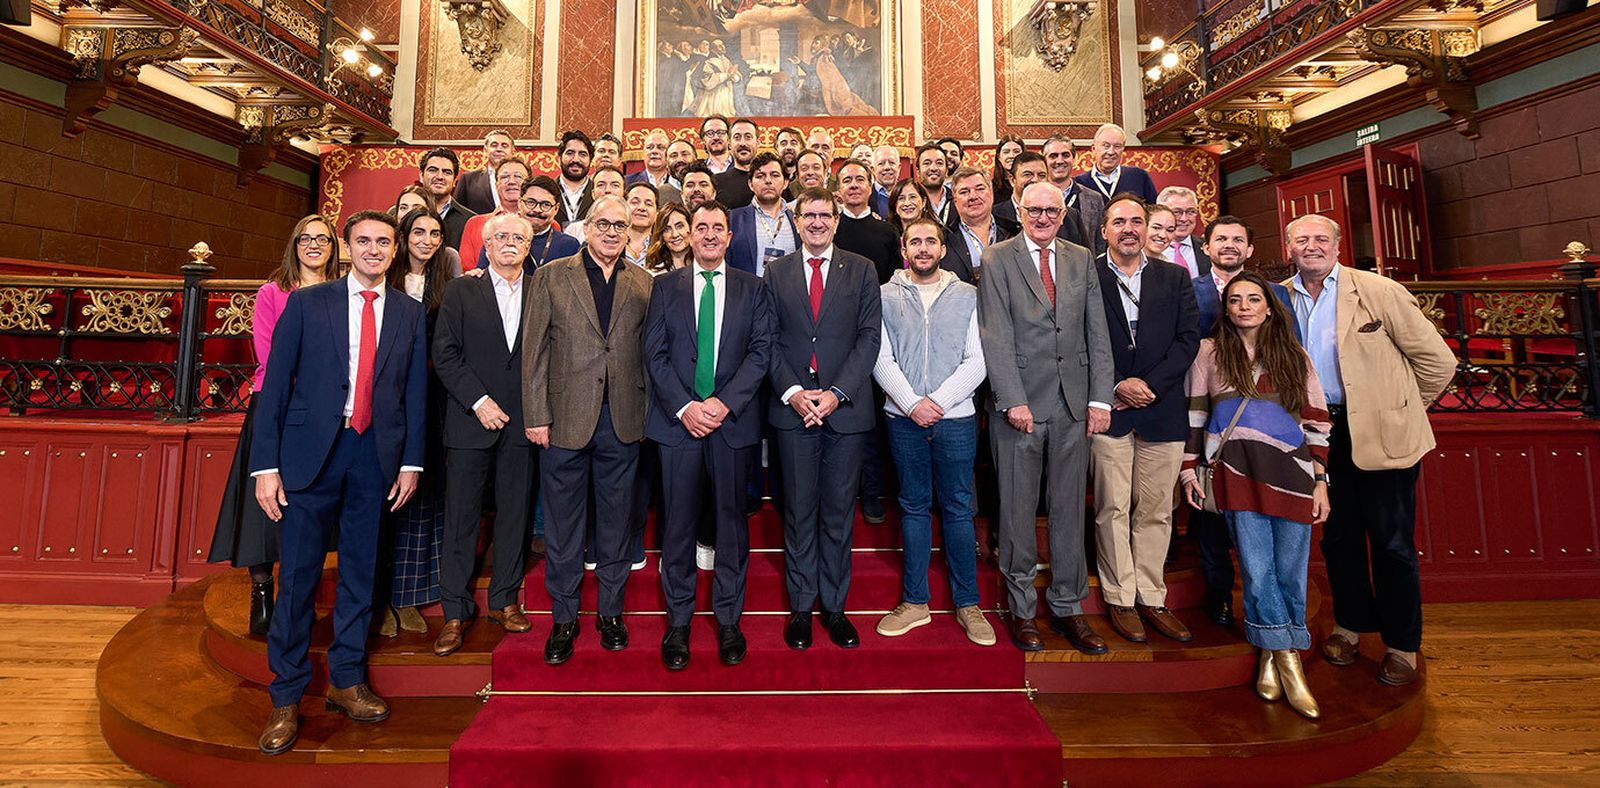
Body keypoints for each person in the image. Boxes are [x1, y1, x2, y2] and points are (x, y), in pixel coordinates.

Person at [251, 210, 427, 756]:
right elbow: (274, 387)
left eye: (384, 241)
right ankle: (285, 695)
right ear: (347, 247)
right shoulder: (308, 303)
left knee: (360, 573)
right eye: (363, 241)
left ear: (395, 250)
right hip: (309, 457)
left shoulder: (410, 312)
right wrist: (266, 467)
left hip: (375, 455)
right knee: (299, 576)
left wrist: (411, 462)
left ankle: (347, 681)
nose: (374, 249)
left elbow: (415, 393)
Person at [1284, 214, 1455, 687]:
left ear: (1339, 245)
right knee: (1338, 538)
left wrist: (1400, 408)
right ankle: (1350, 626)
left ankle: (1403, 644)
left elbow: (1438, 362)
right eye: (1302, 240)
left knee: (1392, 543)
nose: (1311, 246)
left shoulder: (1378, 291)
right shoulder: (1280, 296)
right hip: (1318, 437)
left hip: (1383, 435)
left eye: (1321, 238)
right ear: (1288, 246)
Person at [1180, 272, 1333, 719]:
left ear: (1269, 306)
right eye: (1234, 300)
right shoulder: (1209, 353)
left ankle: (1272, 654)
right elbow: (1195, 416)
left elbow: (1317, 422)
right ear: (1225, 309)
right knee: (1256, 565)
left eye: (1253, 298)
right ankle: (1292, 663)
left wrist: (1321, 480)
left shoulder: (1294, 356)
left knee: (1290, 567)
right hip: (1235, 472)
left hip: (1292, 474)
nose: (1244, 306)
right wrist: (1190, 468)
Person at [977, 181, 1113, 655]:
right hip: (1020, 406)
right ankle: (1021, 609)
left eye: (1050, 210)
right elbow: (994, 334)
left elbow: (1098, 331)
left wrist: (1100, 400)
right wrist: (1011, 399)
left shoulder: (1081, 258)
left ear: (1062, 212)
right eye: (1032, 209)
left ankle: (1068, 607)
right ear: (1018, 210)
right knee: (1016, 511)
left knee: (1068, 508)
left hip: (1075, 404)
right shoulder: (996, 258)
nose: (1042, 217)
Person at [644, 200, 776, 670]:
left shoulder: (753, 288)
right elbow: (654, 354)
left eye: (718, 227)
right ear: (690, 234)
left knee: (730, 528)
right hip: (678, 426)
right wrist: (685, 407)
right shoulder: (664, 287)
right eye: (701, 227)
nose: (710, 235)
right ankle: (678, 623)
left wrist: (722, 404)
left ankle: (728, 620)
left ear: (729, 235)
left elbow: (761, 354)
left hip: (731, 425)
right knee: (677, 526)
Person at [522, 196, 654, 664]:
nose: (613, 232)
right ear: (586, 226)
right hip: (562, 421)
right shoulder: (552, 275)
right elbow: (534, 351)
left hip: (622, 420)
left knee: (617, 524)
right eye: (604, 223)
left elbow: (648, 354)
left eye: (621, 225)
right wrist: (536, 415)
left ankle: (611, 613)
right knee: (563, 525)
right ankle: (564, 616)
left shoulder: (643, 282)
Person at [208, 215, 339, 637]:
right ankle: (262, 591)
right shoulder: (273, 292)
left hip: (325, 409)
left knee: (309, 498)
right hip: (277, 403)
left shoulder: (343, 292)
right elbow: (269, 354)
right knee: (262, 503)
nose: (315, 245)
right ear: (294, 244)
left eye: (323, 239)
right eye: (307, 238)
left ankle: (300, 594)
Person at [766, 187, 882, 651]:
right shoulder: (775, 272)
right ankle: (800, 607)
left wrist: (836, 393)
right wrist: (794, 393)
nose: (816, 223)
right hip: (792, 411)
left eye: (824, 216)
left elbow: (870, 339)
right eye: (808, 215)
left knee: (837, 514)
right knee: (797, 513)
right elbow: (767, 339)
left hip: (845, 413)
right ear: (797, 221)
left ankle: (834, 608)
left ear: (836, 221)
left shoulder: (863, 268)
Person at [872, 217, 994, 647]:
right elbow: (880, 356)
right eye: (915, 241)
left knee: (959, 508)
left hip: (956, 419)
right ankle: (915, 601)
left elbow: (978, 360)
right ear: (905, 248)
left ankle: (968, 603)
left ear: (943, 249)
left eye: (931, 241)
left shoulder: (968, 295)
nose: (923, 248)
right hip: (902, 419)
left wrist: (938, 403)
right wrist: (911, 405)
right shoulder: (885, 295)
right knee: (913, 506)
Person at [1088, 194, 1200, 644]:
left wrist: (1148, 385)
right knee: (1112, 508)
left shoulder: (1174, 277)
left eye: (1137, 221)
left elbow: (1188, 339)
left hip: (1162, 407)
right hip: (1109, 411)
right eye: (1120, 222)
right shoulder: (1088, 275)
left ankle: (1151, 596)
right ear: (1105, 230)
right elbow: (1076, 342)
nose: (1129, 229)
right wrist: (1117, 384)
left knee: (1156, 510)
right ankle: (1119, 597)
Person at [430, 213, 538, 657]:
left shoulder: (541, 290)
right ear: (486, 245)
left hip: (524, 423)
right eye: (502, 237)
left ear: (528, 247)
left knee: (516, 515)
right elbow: (445, 353)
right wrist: (479, 401)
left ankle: (505, 600)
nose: (510, 243)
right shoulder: (462, 290)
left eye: (519, 237)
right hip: (470, 421)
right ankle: (455, 611)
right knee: (461, 519)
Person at [371, 208, 457, 638]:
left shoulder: (446, 283)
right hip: (387, 398)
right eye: (418, 232)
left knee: (423, 501)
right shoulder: (383, 280)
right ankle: (379, 600)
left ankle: (409, 598)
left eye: (435, 233)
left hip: (433, 401)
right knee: (385, 502)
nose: (426, 239)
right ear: (403, 237)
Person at [475, 174, 581, 274]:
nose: (537, 210)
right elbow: (482, 279)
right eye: (531, 202)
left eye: (545, 205)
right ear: (520, 203)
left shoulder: (569, 245)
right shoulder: (498, 239)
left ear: (556, 209)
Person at [940, 166, 1017, 284]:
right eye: (964, 192)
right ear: (955, 201)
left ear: (991, 194)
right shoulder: (943, 240)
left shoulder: (1015, 233)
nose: (973, 196)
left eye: (980, 189)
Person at [727, 153, 797, 276]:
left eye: (775, 175)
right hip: (748, 293)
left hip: (788, 293)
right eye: (760, 176)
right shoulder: (733, 219)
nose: (768, 181)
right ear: (750, 184)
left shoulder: (797, 220)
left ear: (786, 183)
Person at [832, 158, 901, 285]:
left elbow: (896, 280)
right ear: (839, 190)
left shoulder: (888, 231)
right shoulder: (830, 231)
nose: (854, 185)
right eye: (847, 181)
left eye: (860, 179)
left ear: (870, 187)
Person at [459, 155, 530, 273]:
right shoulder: (475, 223)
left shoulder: (542, 224)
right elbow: (467, 269)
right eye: (504, 177)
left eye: (518, 177)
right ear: (496, 185)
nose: (511, 182)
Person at [1042, 135, 1104, 251]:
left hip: (1081, 266)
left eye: (1065, 155)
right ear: (1044, 161)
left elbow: (1100, 244)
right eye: (1053, 156)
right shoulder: (1035, 196)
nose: (1060, 161)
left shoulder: (1094, 199)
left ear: (1074, 159)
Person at [1075, 123, 1158, 204]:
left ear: (1123, 150)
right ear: (1093, 149)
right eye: (1106, 146)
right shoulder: (1079, 183)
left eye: (1117, 146)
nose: (1111, 152)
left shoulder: (1139, 176)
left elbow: (1153, 212)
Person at [419, 148, 476, 252]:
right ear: (421, 176)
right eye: (433, 170)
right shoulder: (401, 212)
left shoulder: (470, 221)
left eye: (447, 172)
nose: (440, 176)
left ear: (454, 181)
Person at [563, 166, 627, 244]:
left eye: (615, 185)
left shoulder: (631, 229)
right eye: (601, 185)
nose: (607, 190)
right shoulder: (574, 230)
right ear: (593, 193)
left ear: (623, 192)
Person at [455, 130, 513, 215]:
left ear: (513, 152)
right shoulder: (468, 180)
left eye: (504, 146)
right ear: (485, 150)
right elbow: (457, 213)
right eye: (494, 145)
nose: (499, 149)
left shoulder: (523, 179)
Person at [1158, 186, 1209, 279]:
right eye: (1177, 212)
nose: (1184, 219)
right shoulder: (1146, 250)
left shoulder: (1208, 248)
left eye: (1191, 212)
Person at [626, 130, 684, 205]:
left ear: (668, 155)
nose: (654, 151)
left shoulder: (678, 183)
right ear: (643, 154)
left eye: (661, 148)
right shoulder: (627, 181)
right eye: (650, 147)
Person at [713, 117, 761, 209]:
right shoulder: (716, 182)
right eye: (737, 138)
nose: (742, 143)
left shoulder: (773, 179)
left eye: (748, 137)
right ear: (729, 144)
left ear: (758, 143)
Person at [555, 130, 595, 225]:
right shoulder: (546, 190)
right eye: (570, 153)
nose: (576, 159)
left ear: (590, 160)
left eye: (582, 154)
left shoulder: (599, 191)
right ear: (559, 158)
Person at [645, 201, 694, 276]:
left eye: (680, 226)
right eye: (666, 229)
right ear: (661, 235)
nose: (674, 234)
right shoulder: (653, 275)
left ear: (690, 228)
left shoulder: (706, 266)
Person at [915, 142, 954, 225]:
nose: (933, 168)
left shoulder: (958, 199)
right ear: (918, 172)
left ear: (947, 171)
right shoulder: (910, 201)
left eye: (939, 163)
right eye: (927, 163)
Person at [623, 181, 660, 268]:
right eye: (635, 202)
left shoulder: (664, 248)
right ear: (623, 208)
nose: (641, 208)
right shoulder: (611, 243)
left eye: (648, 204)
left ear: (657, 213)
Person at [870, 145, 901, 218]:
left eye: (892, 163)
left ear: (899, 168)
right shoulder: (865, 196)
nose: (887, 167)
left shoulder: (908, 192)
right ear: (873, 169)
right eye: (881, 163)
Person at [992, 135, 1025, 203]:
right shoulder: (991, 187)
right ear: (998, 157)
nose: (1011, 156)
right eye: (1006, 152)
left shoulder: (1030, 183)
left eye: (1016, 151)